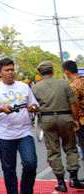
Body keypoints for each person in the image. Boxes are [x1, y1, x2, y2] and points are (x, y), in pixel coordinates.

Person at [0, 58, 40, 194]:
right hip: (4, 135)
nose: (10, 72)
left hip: (25, 133)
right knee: (9, 169)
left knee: (30, 163)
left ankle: (26, 191)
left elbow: (34, 105)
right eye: (7, 70)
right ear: (0, 72)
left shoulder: (24, 87)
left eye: (12, 69)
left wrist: (33, 108)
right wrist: (1, 109)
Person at [33, 61, 83, 192]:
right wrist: (75, 119)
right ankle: (74, 178)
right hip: (65, 117)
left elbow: (34, 106)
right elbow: (73, 103)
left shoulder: (36, 87)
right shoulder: (63, 83)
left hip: (47, 118)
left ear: (40, 73)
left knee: (53, 150)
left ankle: (61, 182)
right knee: (71, 148)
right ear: (53, 71)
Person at [63, 60, 84, 158]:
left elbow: (74, 105)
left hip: (81, 121)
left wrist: (74, 120)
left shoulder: (72, 86)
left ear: (67, 72)